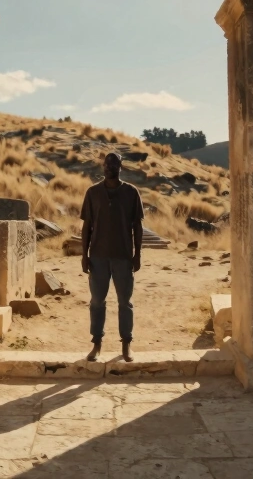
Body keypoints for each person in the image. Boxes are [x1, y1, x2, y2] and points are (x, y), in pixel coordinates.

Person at [80, 151, 144, 362]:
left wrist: (137, 255)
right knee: (97, 301)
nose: (110, 168)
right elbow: (87, 226)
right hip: (98, 256)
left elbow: (137, 226)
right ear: (103, 167)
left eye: (114, 164)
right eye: (107, 164)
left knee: (125, 301)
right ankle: (96, 344)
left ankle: (127, 344)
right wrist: (84, 254)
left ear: (120, 166)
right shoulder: (93, 193)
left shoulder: (131, 193)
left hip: (123, 256)